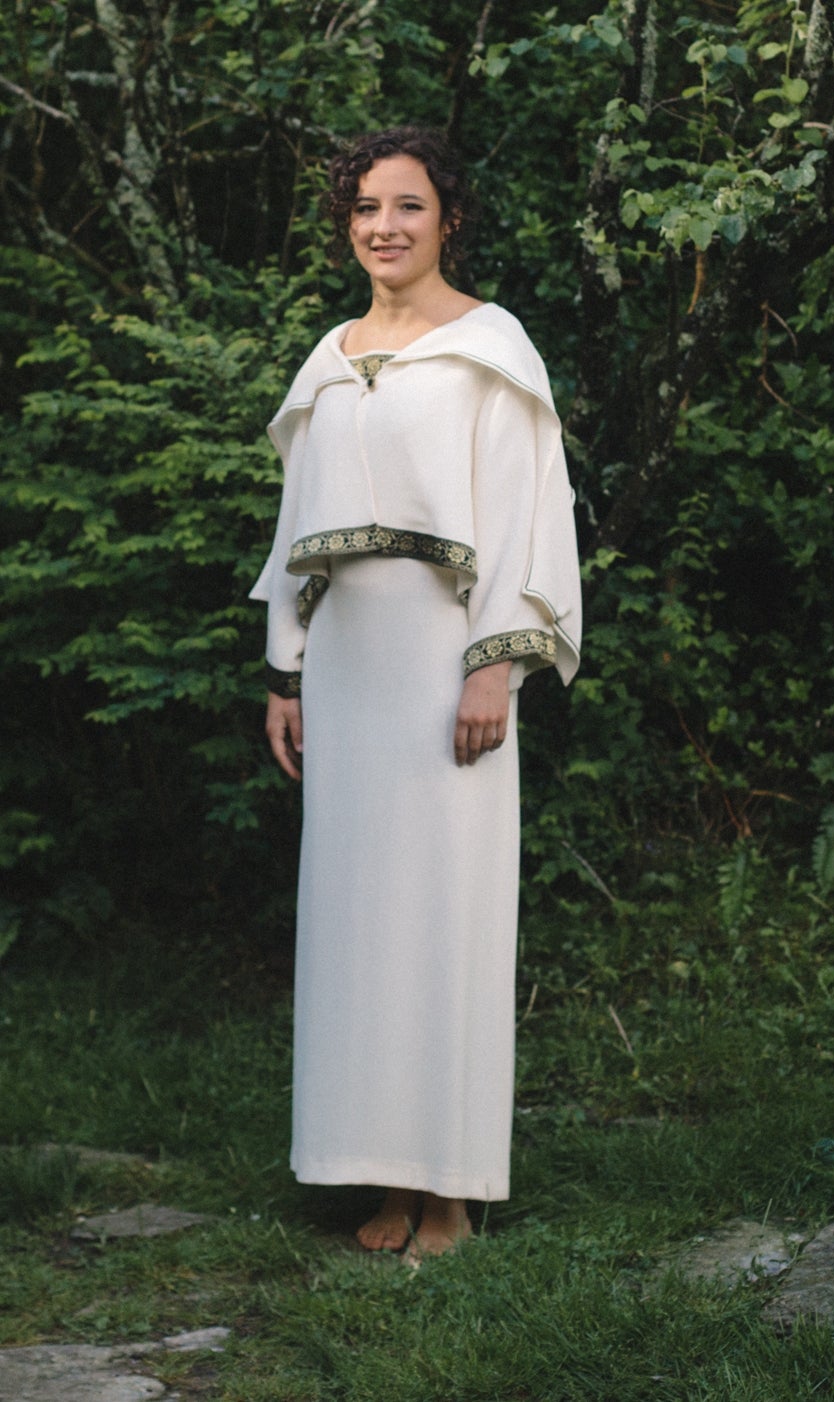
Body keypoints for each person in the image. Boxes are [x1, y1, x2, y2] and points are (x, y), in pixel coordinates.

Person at [250, 127, 581, 1260]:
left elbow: (528, 512)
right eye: (363, 210)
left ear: (447, 219)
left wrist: (497, 658)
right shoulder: (331, 358)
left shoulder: (492, 348)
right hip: (348, 670)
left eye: (406, 206)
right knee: (358, 924)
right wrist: (283, 668)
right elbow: (298, 534)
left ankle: (451, 1189)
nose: (382, 227)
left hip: (448, 665)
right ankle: (380, 1174)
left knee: (448, 915)